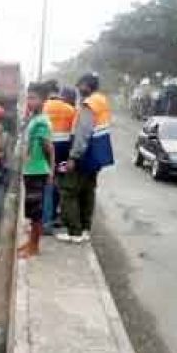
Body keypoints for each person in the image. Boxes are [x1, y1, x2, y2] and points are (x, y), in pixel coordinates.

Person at [58, 73, 114, 243]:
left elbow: (83, 132)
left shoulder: (89, 104)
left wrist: (73, 157)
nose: (79, 89)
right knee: (87, 192)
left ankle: (74, 232)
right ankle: (84, 230)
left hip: (85, 154)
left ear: (87, 86)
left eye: (80, 86)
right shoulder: (102, 101)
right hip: (97, 155)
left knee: (69, 191)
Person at [18, 83, 55, 258]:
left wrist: (51, 171)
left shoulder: (41, 121)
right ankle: (30, 243)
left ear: (43, 100)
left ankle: (35, 247)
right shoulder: (34, 118)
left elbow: (49, 148)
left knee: (36, 213)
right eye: (28, 98)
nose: (29, 101)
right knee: (32, 212)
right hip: (30, 170)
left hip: (37, 170)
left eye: (33, 98)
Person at [42, 86, 77, 234]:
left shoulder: (44, 106)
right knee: (60, 180)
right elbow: (74, 134)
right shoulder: (71, 110)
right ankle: (56, 214)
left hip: (46, 150)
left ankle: (45, 217)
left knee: (46, 181)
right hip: (63, 153)